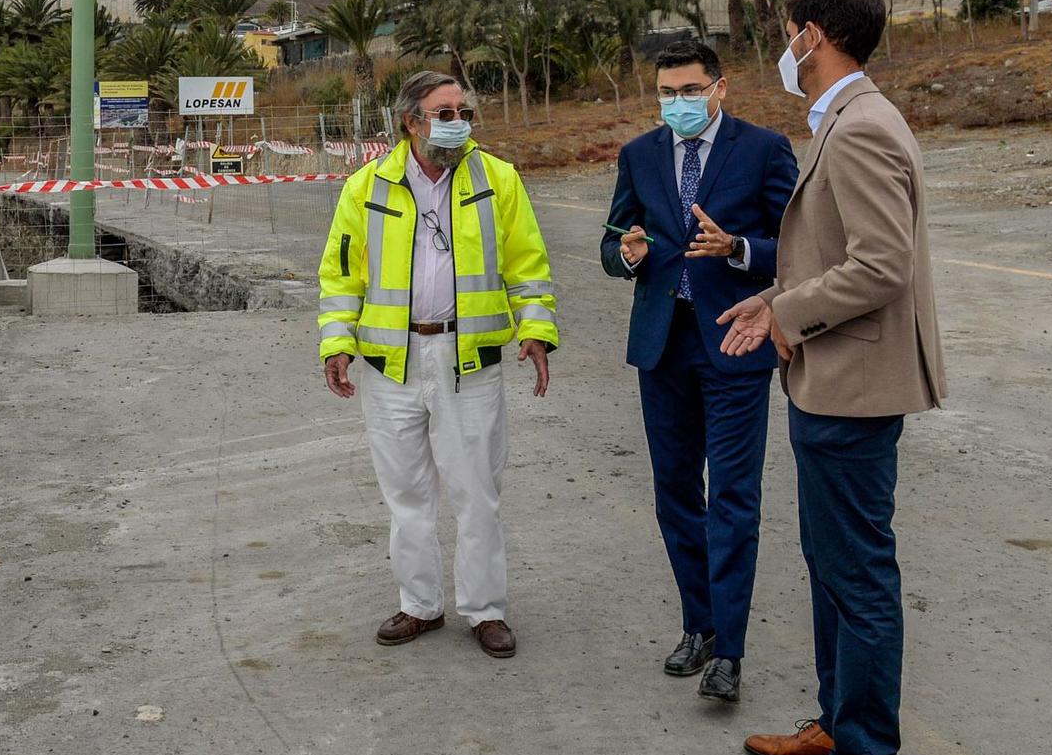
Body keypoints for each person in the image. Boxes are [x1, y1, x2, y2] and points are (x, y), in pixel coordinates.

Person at [716, 0, 945, 755]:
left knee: (857, 571)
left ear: (812, 36)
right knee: (830, 564)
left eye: (788, 33)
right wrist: (772, 298)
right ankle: (838, 721)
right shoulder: (844, 122)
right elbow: (834, 252)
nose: (785, 48)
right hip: (831, 374)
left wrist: (789, 311)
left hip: (854, 382)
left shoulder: (860, 129)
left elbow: (881, 264)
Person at [318, 70, 558, 659]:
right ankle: (419, 604)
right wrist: (336, 342)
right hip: (390, 364)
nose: (458, 120)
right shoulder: (367, 187)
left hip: (468, 357)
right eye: (444, 112)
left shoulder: (496, 179)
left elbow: (527, 265)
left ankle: (485, 610)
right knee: (406, 493)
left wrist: (536, 331)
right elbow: (341, 275)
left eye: (462, 110)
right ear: (411, 121)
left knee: (477, 490)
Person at [601, 40, 797, 703]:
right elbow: (612, 238)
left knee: (733, 499)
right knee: (675, 492)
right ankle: (700, 623)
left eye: (689, 90)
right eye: (666, 92)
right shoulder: (640, 154)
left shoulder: (764, 150)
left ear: (720, 87)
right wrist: (625, 253)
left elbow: (799, 245)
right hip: (663, 343)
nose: (676, 103)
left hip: (735, 339)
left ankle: (731, 654)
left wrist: (739, 247)